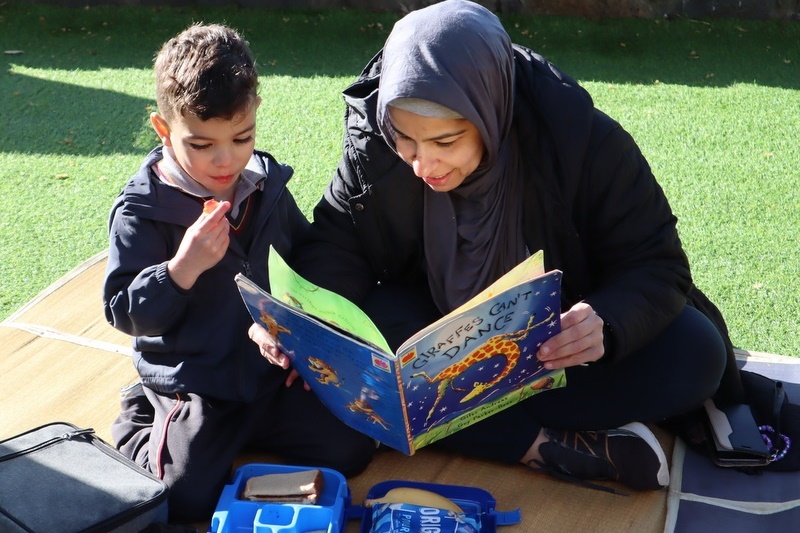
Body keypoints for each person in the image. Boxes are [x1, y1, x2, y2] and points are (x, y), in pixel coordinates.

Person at [249, 0, 742, 494]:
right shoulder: (374, 144)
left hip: (555, 346)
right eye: (407, 141)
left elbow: (657, 263)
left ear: (489, 111)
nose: (423, 165)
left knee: (696, 353)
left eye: (446, 141)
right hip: (436, 327)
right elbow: (339, 241)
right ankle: (538, 444)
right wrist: (302, 325)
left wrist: (605, 323)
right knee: (374, 353)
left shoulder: (582, 142)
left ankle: (468, 425)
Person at [102, 23, 375, 523]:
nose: (225, 159)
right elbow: (124, 312)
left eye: (242, 137)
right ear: (164, 130)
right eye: (201, 145)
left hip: (269, 374)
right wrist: (179, 269)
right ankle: (144, 413)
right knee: (183, 499)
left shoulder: (266, 186)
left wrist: (295, 328)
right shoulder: (144, 210)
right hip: (198, 382)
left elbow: (306, 257)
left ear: (255, 115)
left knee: (352, 448)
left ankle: (243, 433)